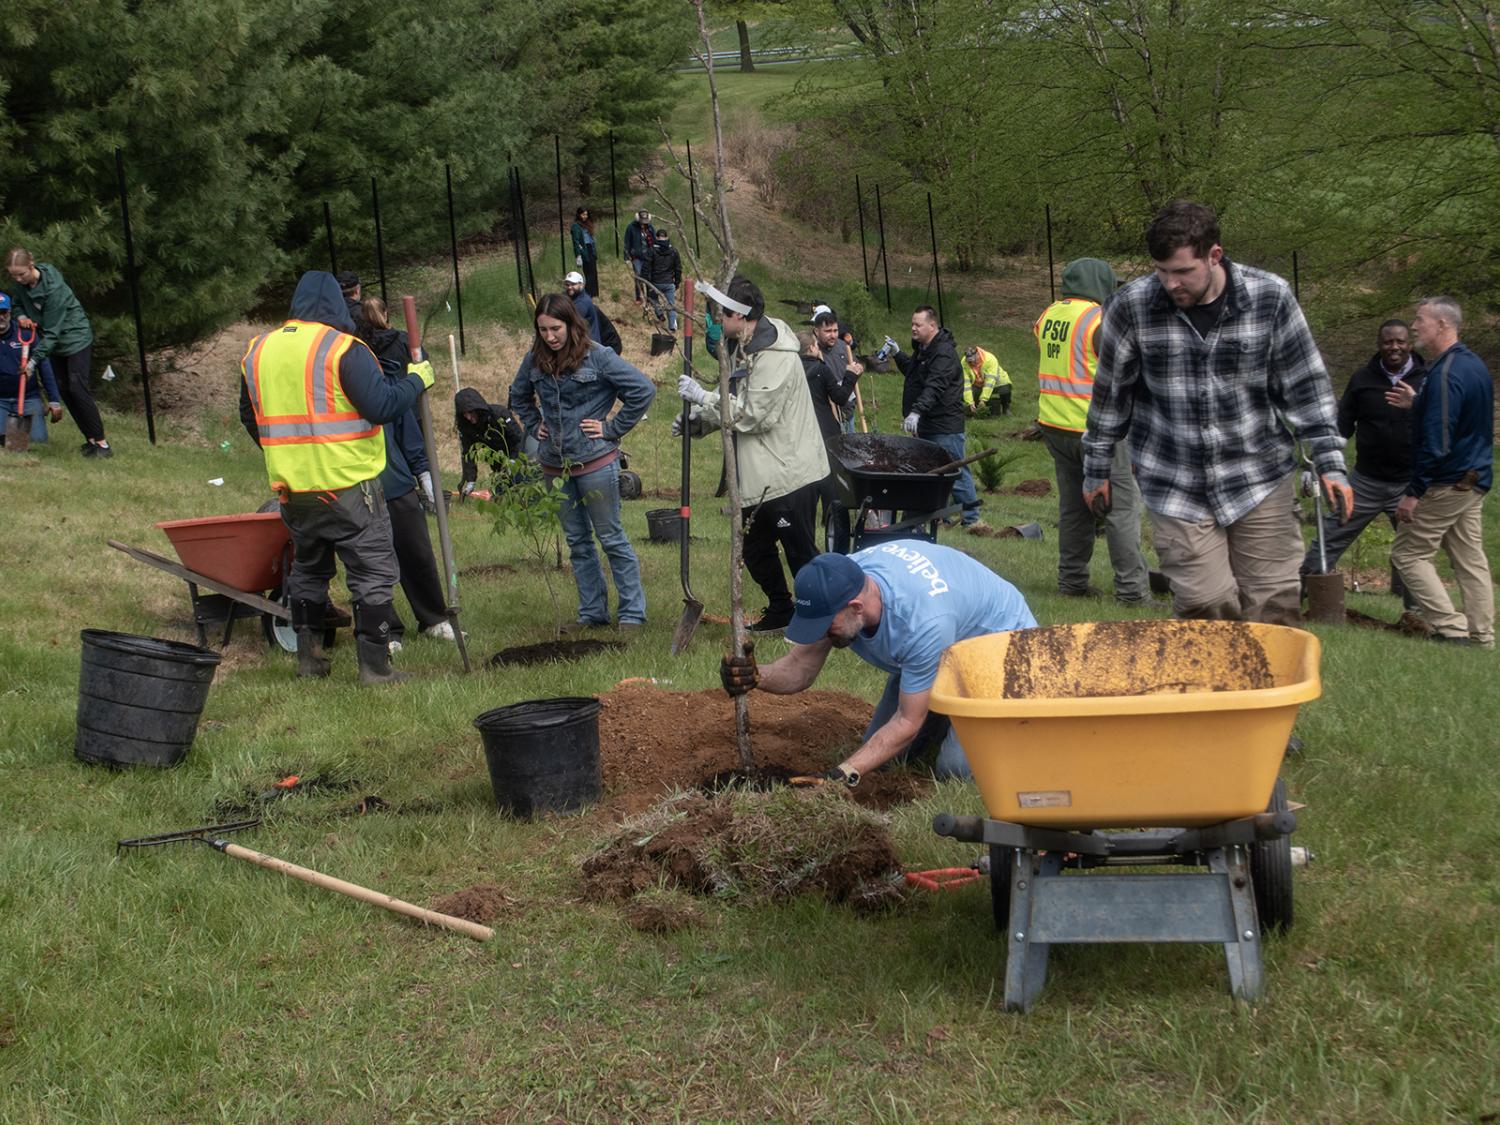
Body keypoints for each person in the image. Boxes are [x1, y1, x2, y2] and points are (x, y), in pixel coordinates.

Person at [1080, 201, 1351, 625]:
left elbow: (1307, 389)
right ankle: (1214, 691)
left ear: (1214, 256)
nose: (1171, 283)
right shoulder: (1131, 307)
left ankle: (1275, 693)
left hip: (1258, 477)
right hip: (1175, 482)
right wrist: (1095, 470)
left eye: (1183, 271)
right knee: (1206, 609)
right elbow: (1110, 397)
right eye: (1161, 270)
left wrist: (1330, 463)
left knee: (1274, 606)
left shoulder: (1270, 298)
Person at [239, 270, 434, 683]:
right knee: (373, 575)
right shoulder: (343, 348)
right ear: (335, 305)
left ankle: (309, 661)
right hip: (349, 488)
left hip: (295, 491)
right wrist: (416, 381)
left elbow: (248, 414)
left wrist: (288, 454)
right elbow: (381, 406)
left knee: (308, 572)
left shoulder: (259, 350)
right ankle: (376, 668)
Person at [719, 543, 1037, 783]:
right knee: (882, 760)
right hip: (945, 648)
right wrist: (756, 676)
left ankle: (1016, 723)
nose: (822, 634)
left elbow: (906, 723)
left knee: (952, 770)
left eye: (827, 626)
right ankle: (941, 705)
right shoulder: (842, 579)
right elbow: (800, 668)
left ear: (856, 607)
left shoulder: (921, 624)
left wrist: (843, 774)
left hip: (1002, 652)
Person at [676, 275, 827, 632]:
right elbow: (737, 406)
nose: (714, 320)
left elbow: (750, 414)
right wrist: (697, 421)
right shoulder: (745, 347)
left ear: (740, 316)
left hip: (789, 473)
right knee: (754, 548)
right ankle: (781, 610)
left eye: (720, 314)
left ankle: (822, 617)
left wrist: (703, 398)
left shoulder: (774, 356)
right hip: (760, 476)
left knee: (801, 554)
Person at [507, 293, 655, 634]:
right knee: (577, 542)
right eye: (542, 329)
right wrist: (534, 424)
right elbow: (517, 396)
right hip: (554, 466)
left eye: (555, 328)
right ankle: (592, 614)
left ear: (571, 324)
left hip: (595, 463)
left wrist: (611, 428)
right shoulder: (534, 359)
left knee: (611, 538)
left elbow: (642, 389)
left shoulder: (598, 357)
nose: (549, 336)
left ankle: (632, 614)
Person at [1034, 258, 1150, 603]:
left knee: (1074, 509)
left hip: (1056, 427)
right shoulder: (1098, 321)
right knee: (1120, 508)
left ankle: (1072, 582)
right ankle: (1132, 592)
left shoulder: (1049, 316)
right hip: (1097, 431)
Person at [1390, 297, 1493, 648]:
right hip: (1474, 480)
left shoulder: (1447, 372)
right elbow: (1460, 418)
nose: (1415, 327)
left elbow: (1439, 439)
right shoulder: (1471, 365)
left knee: (1408, 554)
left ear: (1443, 325)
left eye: (1420, 320)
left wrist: (1414, 492)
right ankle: (1482, 636)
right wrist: (1419, 404)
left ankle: (1451, 629)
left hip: (1447, 482)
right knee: (1469, 560)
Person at [360, 296, 459, 646]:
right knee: (374, 560)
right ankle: (386, 629)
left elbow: (404, 421)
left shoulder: (384, 376)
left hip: (396, 478)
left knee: (416, 550)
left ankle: (433, 617)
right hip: (358, 482)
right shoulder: (342, 377)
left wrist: (423, 472)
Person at [1301, 320, 1426, 593]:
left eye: (1400, 342)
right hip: (1365, 482)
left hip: (1408, 484)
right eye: (1387, 342)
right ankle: (1299, 594)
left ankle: (1412, 610)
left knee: (1413, 550)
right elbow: (1342, 425)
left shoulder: (1426, 378)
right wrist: (1315, 464)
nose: (1394, 347)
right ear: (1379, 345)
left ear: (1410, 344)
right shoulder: (1362, 379)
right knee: (1329, 537)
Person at [4, 248, 111, 458]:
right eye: (13, 275)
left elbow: (52, 333)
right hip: (52, 342)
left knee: (77, 387)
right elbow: (15, 304)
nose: (18, 279)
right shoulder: (21, 285)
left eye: (21, 274)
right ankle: (90, 441)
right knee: (64, 389)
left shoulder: (54, 289)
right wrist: (22, 315)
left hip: (74, 338)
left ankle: (102, 444)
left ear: (31, 264)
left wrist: (33, 363)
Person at [890, 306, 982, 527]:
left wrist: (916, 411)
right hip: (927, 424)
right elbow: (915, 374)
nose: (913, 328)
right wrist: (898, 354)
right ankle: (938, 516)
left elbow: (935, 385)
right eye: (912, 324)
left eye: (918, 325)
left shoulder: (943, 353)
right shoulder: (924, 349)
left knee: (954, 471)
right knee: (928, 473)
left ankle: (972, 519)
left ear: (932, 326)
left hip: (944, 424)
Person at [798, 329, 854, 551]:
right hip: (825, 432)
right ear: (812, 347)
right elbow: (840, 397)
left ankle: (807, 539)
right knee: (831, 488)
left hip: (801, 434)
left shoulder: (792, 370)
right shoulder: (821, 370)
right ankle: (835, 537)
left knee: (807, 489)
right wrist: (851, 376)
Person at [0, 292, 63, 445]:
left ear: (9, 312)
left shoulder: (26, 334)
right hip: (0, 400)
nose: (0, 317)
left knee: (38, 441)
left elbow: (45, 367)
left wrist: (54, 400)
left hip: (28, 398)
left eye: (3, 312)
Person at [455, 387, 533, 497]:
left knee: (520, 485)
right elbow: (468, 453)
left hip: (514, 455)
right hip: (496, 460)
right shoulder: (467, 426)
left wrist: (512, 461)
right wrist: (470, 480)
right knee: (500, 491)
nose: (468, 417)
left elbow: (518, 439)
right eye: (464, 414)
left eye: (470, 413)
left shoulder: (500, 414)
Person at [813, 308, 864, 433]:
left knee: (848, 443)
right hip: (825, 411)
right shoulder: (813, 351)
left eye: (835, 331)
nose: (833, 335)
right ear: (816, 331)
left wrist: (858, 369)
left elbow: (857, 364)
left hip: (846, 406)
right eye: (828, 331)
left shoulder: (842, 346)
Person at [644, 229, 682, 332]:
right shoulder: (674, 251)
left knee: (653, 298)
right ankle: (672, 326)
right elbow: (678, 268)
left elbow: (646, 267)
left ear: (656, 238)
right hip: (669, 282)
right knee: (671, 304)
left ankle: (660, 313)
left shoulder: (651, 251)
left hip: (655, 282)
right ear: (667, 237)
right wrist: (677, 282)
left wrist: (646, 280)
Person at [961, 344, 1012, 416]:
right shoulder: (964, 363)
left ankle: (1006, 407)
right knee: (962, 394)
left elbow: (990, 382)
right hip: (977, 385)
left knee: (1005, 387)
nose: (971, 363)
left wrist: (983, 400)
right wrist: (970, 402)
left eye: (973, 360)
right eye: (969, 361)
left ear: (978, 354)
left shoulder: (990, 359)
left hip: (996, 383)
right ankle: (975, 406)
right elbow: (965, 384)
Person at [623, 210, 656, 304]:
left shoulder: (650, 228)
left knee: (649, 277)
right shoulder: (631, 227)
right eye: (642, 222)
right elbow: (627, 243)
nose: (643, 224)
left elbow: (655, 241)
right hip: (636, 257)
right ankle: (639, 297)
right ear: (637, 218)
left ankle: (650, 298)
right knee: (638, 276)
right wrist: (626, 257)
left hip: (648, 256)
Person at [563, 271, 604, 342]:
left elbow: (570, 322)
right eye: (567, 284)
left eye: (573, 284)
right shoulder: (571, 296)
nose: (569, 287)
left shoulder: (582, 303)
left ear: (581, 285)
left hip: (588, 343)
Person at [569, 207, 600, 297]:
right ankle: (587, 293)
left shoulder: (588, 224)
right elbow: (576, 241)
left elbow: (591, 239)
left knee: (593, 272)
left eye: (586, 214)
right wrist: (578, 255)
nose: (584, 216)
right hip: (584, 250)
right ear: (579, 215)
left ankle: (593, 293)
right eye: (583, 214)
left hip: (591, 249)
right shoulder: (576, 226)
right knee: (588, 273)